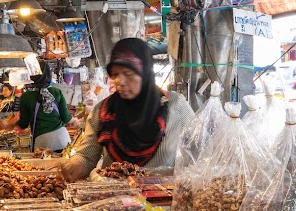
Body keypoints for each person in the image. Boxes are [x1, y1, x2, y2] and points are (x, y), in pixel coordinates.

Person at [60, 38, 195, 182]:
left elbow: (199, 151)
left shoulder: (175, 107)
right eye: (115, 74)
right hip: (113, 200)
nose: (120, 81)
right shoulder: (103, 112)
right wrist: (75, 165)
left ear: (145, 72)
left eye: (128, 73)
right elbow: (86, 156)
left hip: (161, 201)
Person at [3, 61, 79, 153]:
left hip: (43, 142)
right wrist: (75, 121)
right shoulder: (56, 92)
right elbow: (66, 118)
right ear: (48, 74)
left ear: (31, 75)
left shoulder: (26, 96)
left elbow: (23, 124)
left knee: (44, 167)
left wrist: (8, 125)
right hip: (63, 139)